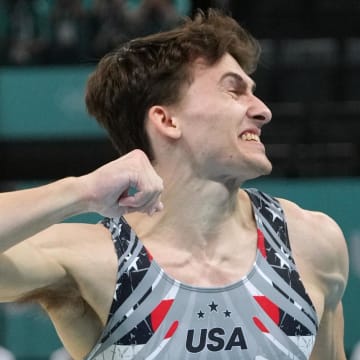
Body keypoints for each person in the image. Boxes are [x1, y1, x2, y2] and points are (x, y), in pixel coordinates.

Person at [0, 9, 348, 360]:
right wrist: (80, 191)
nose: (262, 110)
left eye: (252, 92)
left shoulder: (313, 245)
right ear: (167, 120)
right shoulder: (93, 261)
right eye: (234, 90)